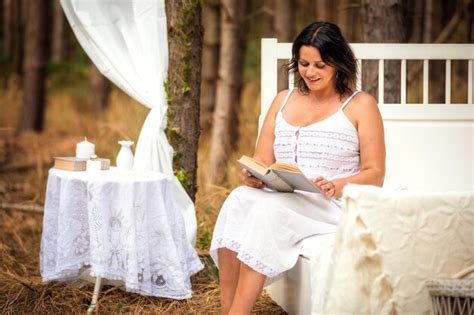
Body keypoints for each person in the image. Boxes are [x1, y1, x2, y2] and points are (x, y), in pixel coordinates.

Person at [210, 21, 385, 314]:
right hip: (286, 195)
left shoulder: (360, 105)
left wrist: (335, 185)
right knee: (237, 200)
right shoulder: (283, 99)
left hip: (331, 203)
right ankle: (227, 309)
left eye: (320, 65)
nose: (310, 72)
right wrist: (254, 176)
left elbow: (375, 173)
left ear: (338, 63)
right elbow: (262, 159)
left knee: (268, 211)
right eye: (304, 63)